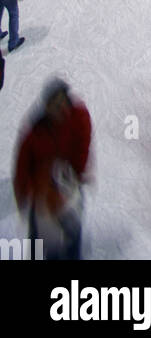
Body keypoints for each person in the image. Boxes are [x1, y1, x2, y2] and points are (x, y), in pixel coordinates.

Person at [14, 79, 92, 260]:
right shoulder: (36, 133)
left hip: (67, 186)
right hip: (43, 193)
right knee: (42, 239)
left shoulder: (78, 117)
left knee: (71, 231)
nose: (59, 108)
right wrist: (24, 194)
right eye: (54, 104)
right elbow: (22, 166)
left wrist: (77, 171)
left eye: (62, 102)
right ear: (47, 107)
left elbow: (83, 143)